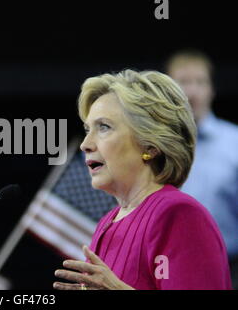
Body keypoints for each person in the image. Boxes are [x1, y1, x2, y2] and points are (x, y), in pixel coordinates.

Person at [53, 69, 232, 290]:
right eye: (88, 129)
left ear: (150, 145)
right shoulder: (107, 223)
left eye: (104, 127)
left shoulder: (178, 214)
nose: (85, 144)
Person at [165, 49, 238, 289]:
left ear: (212, 89)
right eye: (183, 82)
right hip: (162, 270)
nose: (192, 91)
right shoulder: (150, 144)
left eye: (200, 82)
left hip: (227, 269)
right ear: (166, 91)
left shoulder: (234, 142)